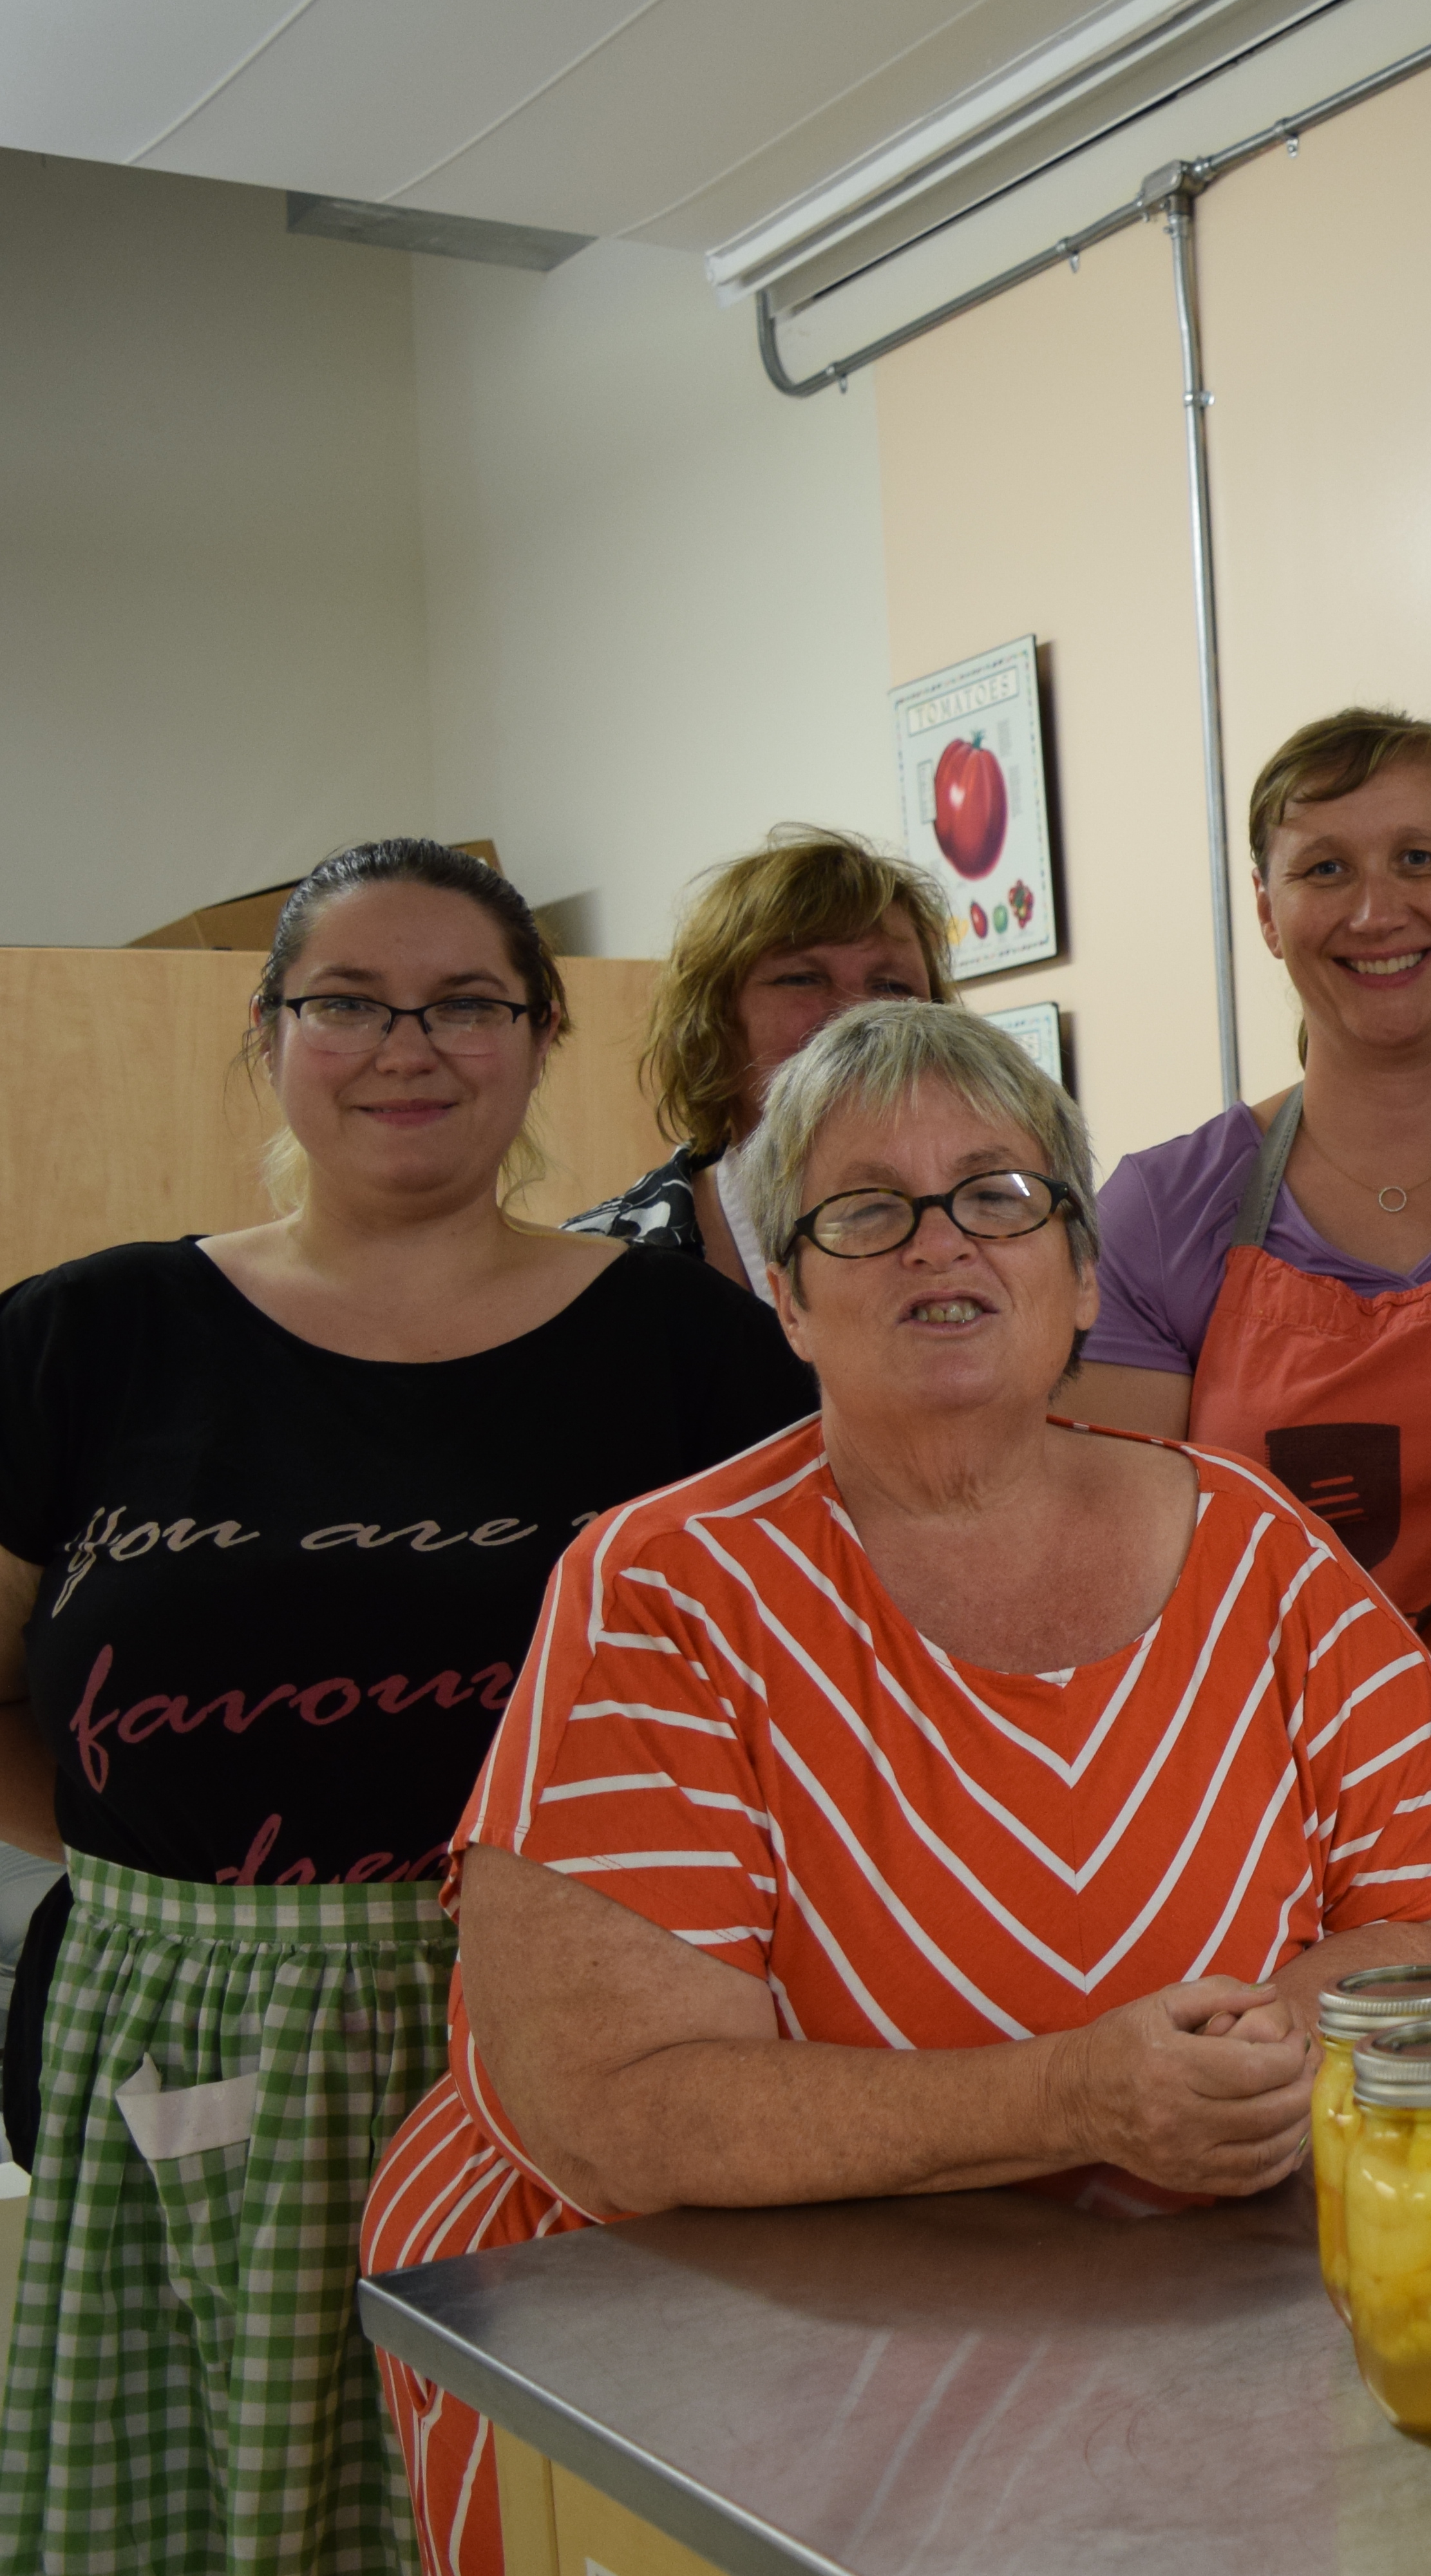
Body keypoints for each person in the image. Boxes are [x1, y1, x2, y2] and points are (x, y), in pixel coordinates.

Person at [363, 1000, 1431, 2573]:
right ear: (791, 1294)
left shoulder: (1271, 1555)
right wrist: (1081, 2095)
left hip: (1171, 2331)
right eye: (866, 1209)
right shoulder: (663, 1591)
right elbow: (621, 2113)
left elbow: (1428, 1926)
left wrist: (1261, 2049)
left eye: (999, 1194)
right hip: (693, 2357)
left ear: (1083, 1267)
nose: (939, 1242)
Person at [0, 840, 818, 2575]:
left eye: (466, 1003)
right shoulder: (88, 1341)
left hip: (587, 2032)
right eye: (350, 1003)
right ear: (270, 1028)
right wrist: (159, 1878)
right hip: (187, 2039)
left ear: (535, 1038)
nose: (408, 1045)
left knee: (561, 2509)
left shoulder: (698, 1357)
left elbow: (791, 1718)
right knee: (221, 2519)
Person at [1068, 711, 1431, 1950]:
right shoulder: (1164, 1209)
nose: (1375, 909)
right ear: (1267, 910)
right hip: (1271, 1816)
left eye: (1419, 860)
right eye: (1324, 868)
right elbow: (1119, 1586)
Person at [566, 827, 954, 1286]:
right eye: (802, 979)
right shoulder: (590, 1275)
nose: (857, 1016)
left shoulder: (1008, 1232)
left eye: (891, 987)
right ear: (715, 1023)